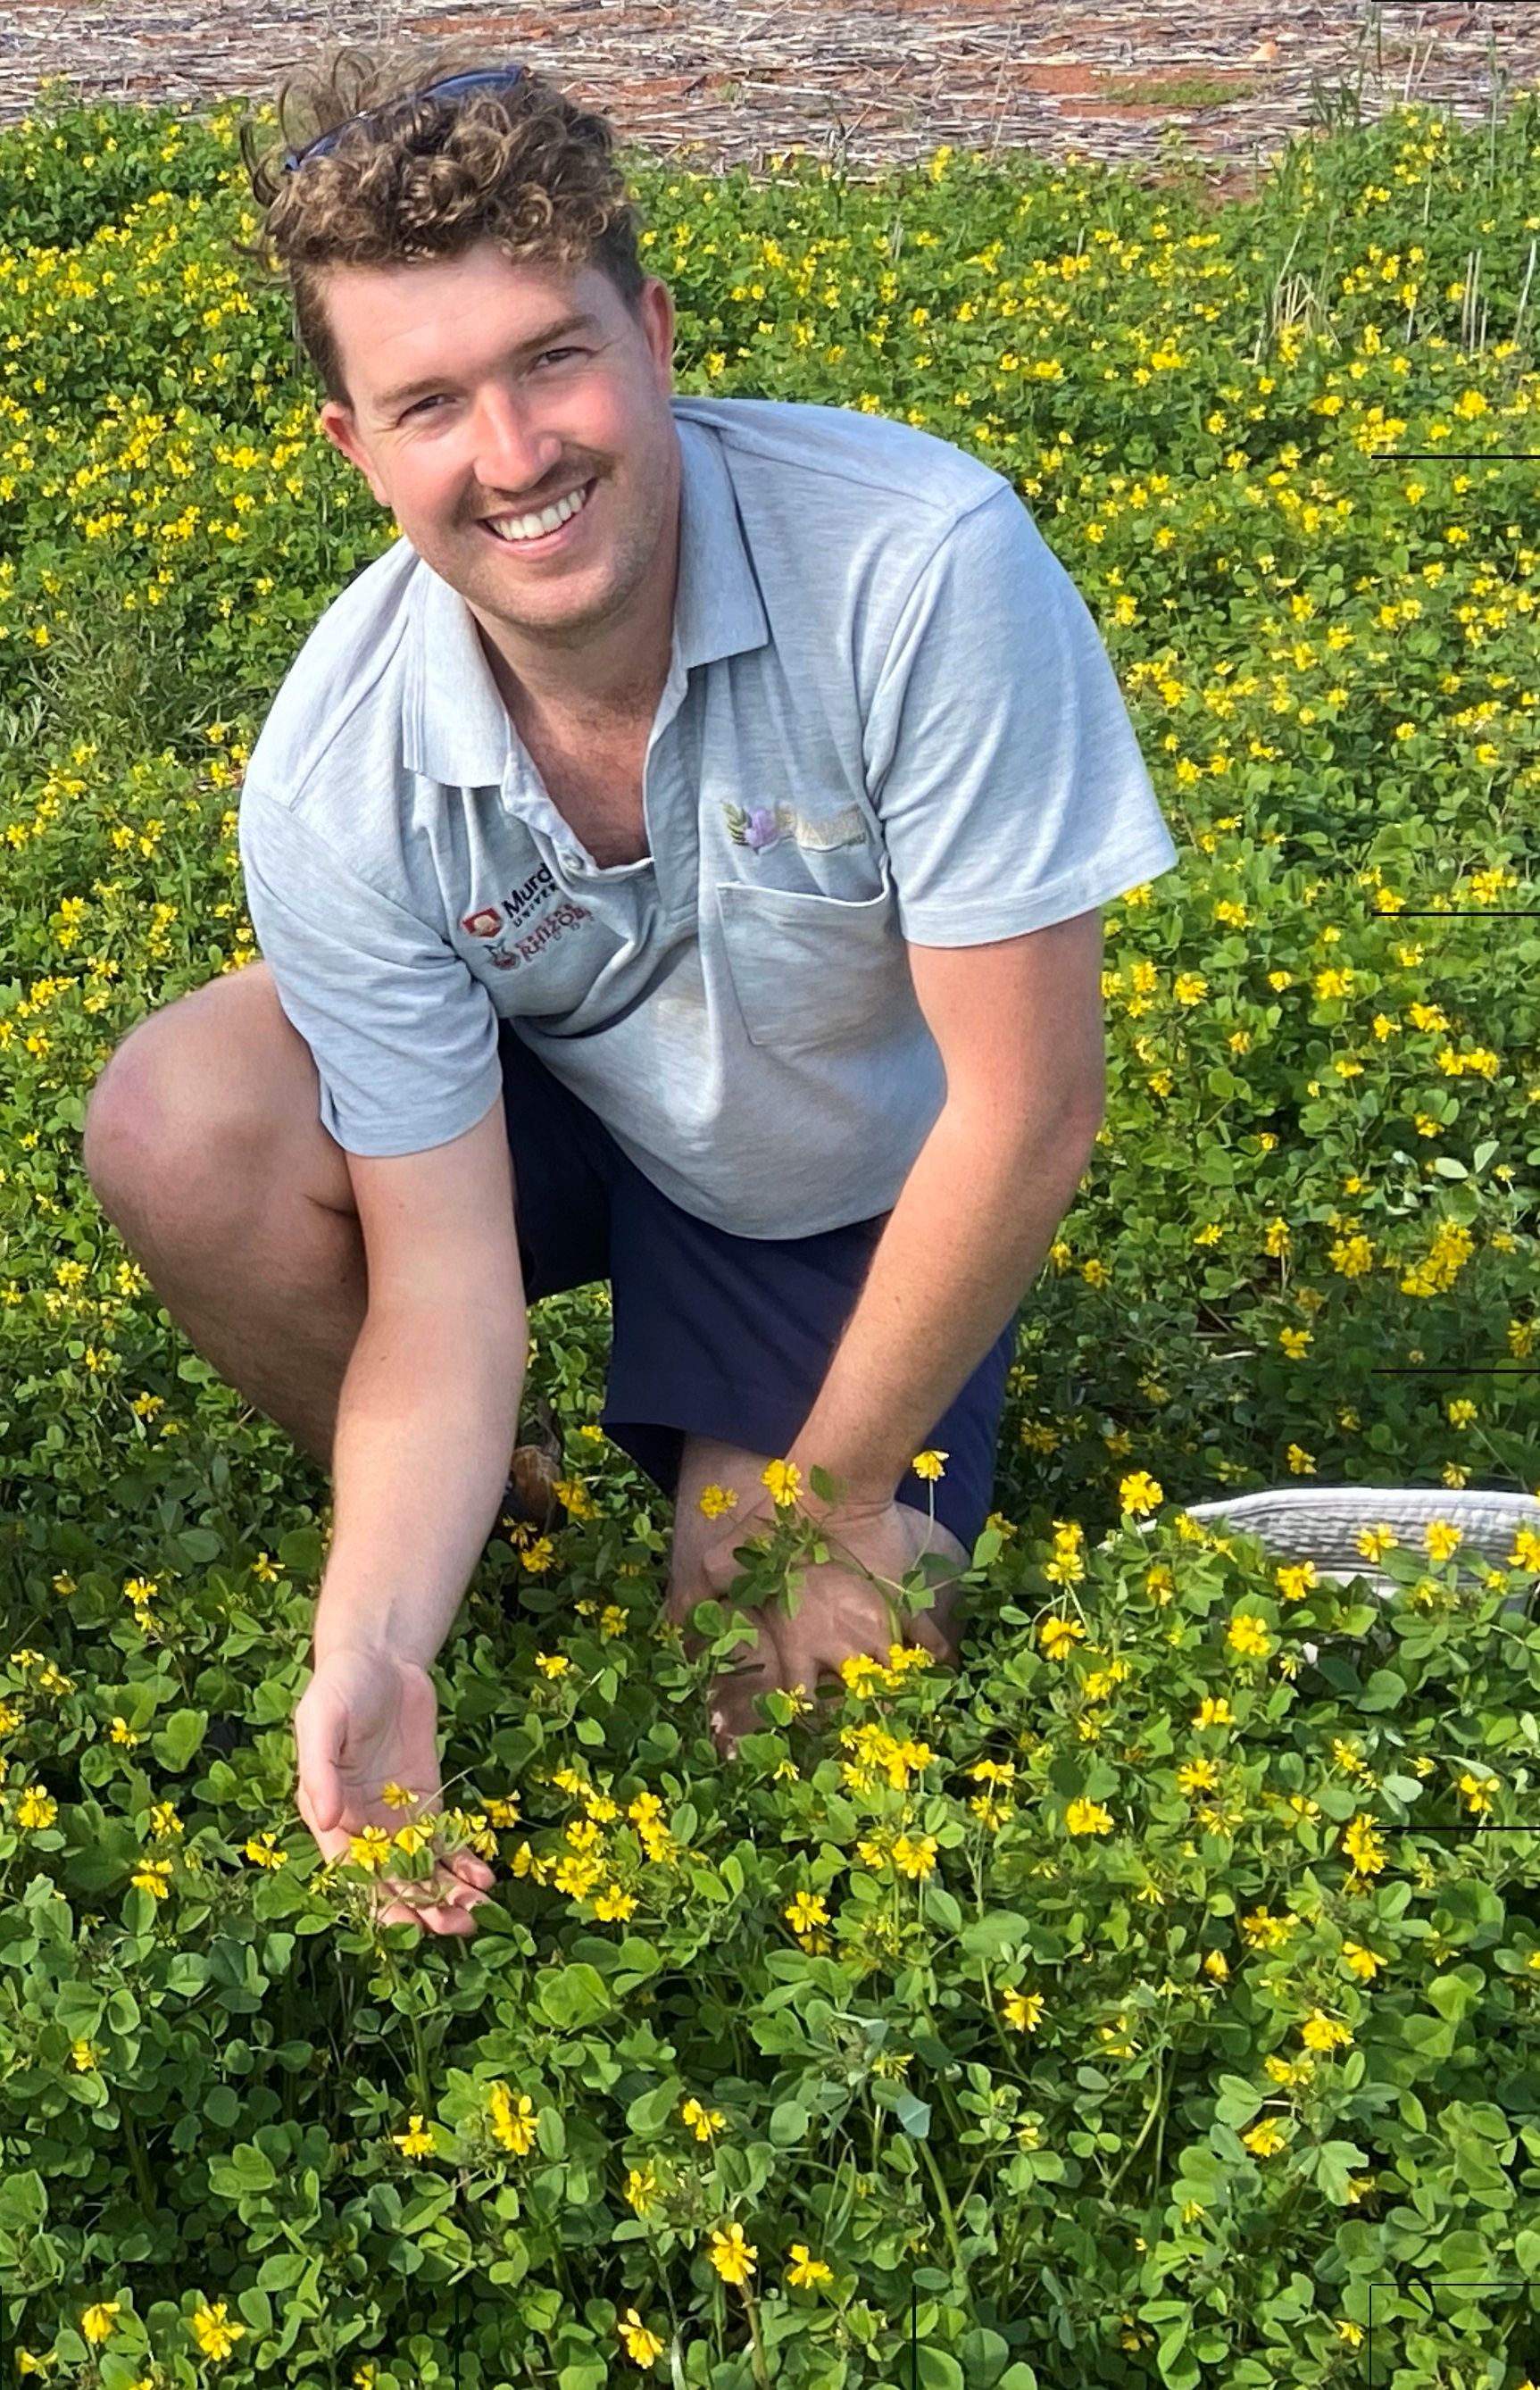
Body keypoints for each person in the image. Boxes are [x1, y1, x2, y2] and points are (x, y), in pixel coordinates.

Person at [80, 41, 1182, 1936]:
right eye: (428, 401)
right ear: (353, 447)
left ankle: (763, 1466)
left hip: (837, 1170)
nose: (511, 457)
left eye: (550, 359)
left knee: (782, 1698)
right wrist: (375, 1638)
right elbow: (443, 1279)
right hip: (570, 1101)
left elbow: (1025, 1107)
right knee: (180, 1125)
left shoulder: (918, 567)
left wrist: (820, 1515)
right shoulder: (334, 768)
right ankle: (471, 1520)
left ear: (654, 333)